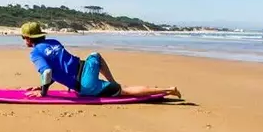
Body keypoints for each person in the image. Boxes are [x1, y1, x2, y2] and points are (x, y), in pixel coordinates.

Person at [19, 22, 181, 99]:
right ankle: (112, 81)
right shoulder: (54, 42)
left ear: (28, 38)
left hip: (84, 85)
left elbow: (48, 72)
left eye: (23, 37)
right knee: (95, 55)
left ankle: (168, 89)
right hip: (86, 67)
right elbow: (58, 68)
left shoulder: (35, 53)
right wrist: (42, 84)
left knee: (124, 91)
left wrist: (43, 92)